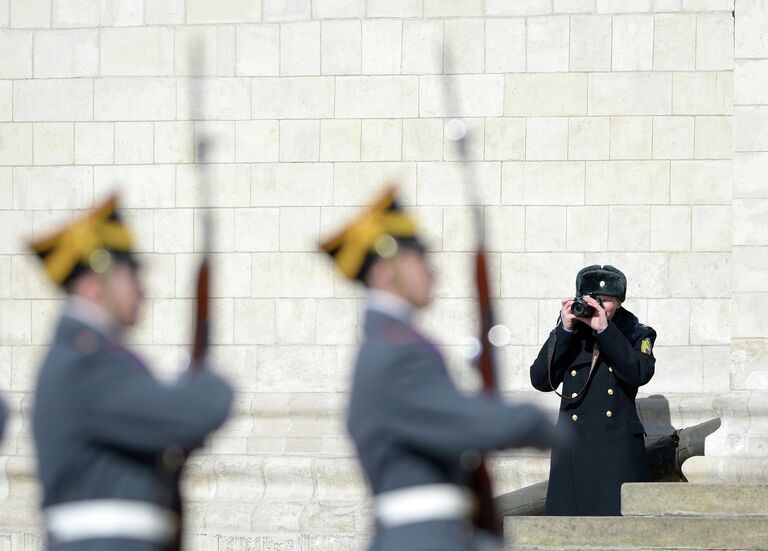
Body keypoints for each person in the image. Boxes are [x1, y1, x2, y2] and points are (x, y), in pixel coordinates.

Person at [320, 187, 565, 551]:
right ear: (387, 272)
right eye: (419, 259)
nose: (431, 272)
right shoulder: (395, 353)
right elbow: (467, 422)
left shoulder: (395, 342)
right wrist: (541, 426)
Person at [29, 196, 233, 550]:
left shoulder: (94, 357)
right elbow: (194, 413)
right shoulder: (86, 363)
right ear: (94, 287)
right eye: (130, 276)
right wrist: (210, 385)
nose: (143, 291)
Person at [530, 264, 656, 516]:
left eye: (606, 301)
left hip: (616, 446)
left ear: (619, 302)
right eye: (592, 299)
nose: (599, 306)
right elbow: (540, 380)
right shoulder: (570, 333)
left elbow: (639, 374)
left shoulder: (636, 333)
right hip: (575, 447)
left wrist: (605, 332)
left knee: (618, 523)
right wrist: (564, 330)